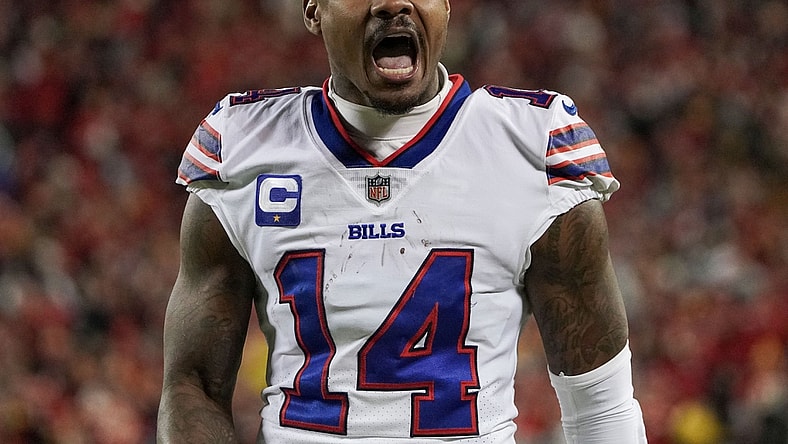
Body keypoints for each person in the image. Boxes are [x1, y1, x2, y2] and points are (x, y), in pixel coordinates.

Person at [157, 0, 648, 442]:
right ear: (313, 11)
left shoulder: (532, 146)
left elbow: (599, 402)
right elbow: (193, 386)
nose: (392, 4)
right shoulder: (244, 146)